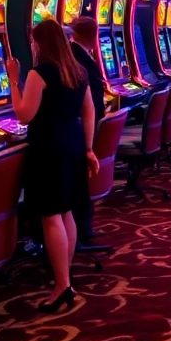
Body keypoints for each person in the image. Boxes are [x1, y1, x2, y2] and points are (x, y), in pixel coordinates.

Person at [6, 18, 100, 313]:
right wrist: (88, 148)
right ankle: (65, 277)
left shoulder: (40, 72)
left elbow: (24, 115)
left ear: (41, 43)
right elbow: (89, 111)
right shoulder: (77, 70)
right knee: (66, 210)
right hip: (72, 142)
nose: (32, 45)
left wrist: (12, 79)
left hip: (49, 145)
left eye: (34, 41)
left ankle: (62, 285)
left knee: (50, 215)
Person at [66, 17, 109, 247]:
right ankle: (80, 227)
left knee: (82, 178)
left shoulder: (78, 53)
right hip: (82, 124)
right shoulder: (75, 55)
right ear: (91, 35)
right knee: (79, 177)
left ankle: (83, 225)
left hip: (86, 121)